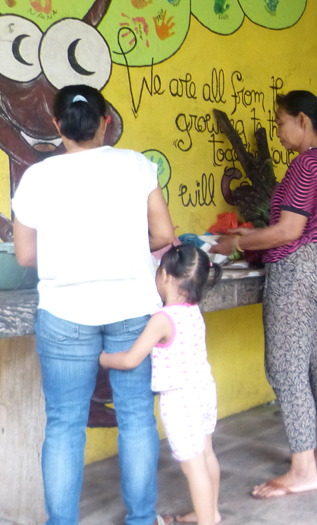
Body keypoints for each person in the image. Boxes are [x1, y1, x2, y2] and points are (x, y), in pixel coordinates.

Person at [12, 85, 175, 525]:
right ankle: (142, 519)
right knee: (137, 416)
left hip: (64, 314)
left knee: (64, 425)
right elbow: (163, 235)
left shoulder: (37, 177)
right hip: (132, 308)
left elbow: (26, 255)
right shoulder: (137, 165)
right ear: (106, 121)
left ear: (57, 125)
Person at [210, 90, 317, 499]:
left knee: (286, 368)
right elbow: (299, 225)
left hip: (296, 269)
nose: (278, 132)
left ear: (303, 121)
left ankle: (303, 469)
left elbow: (289, 231)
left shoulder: (304, 165)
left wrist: (239, 244)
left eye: (281, 123)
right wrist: (251, 235)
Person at [100, 246, 223, 525]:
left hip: (181, 399)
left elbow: (132, 359)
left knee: (193, 467)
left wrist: (105, 358)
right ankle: (211, 512)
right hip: (203, 388)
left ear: (165, 275)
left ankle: (207, 521)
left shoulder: (162, 319)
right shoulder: (192, 310)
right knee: (206, 454)